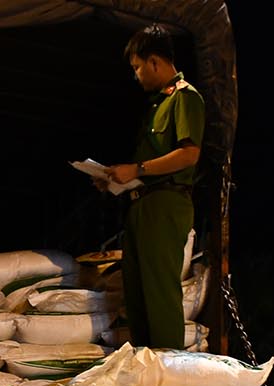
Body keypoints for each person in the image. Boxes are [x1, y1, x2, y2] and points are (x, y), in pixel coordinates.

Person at [96, 24, 204, 349]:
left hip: (166, 203)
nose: (137, 75)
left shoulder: (185, 98)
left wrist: (138, 169)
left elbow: (189, 153)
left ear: (154, 61)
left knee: (159, 290)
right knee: (138, 293)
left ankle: (168, 369)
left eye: (138, 67)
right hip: (142, 204)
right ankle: (147, 364)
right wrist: (115, 177)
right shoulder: (157, 105)